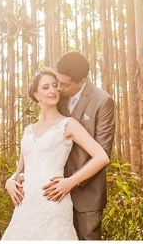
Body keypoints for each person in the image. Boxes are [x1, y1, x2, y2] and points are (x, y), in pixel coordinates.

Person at [2, 67, 109, 241]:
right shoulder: (28, 130)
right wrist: (10, 181)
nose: (52, 90)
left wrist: (70, 182)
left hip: (53, 202)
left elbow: (101, 157)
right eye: (46, 87)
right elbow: (21, 169)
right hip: (26, 205)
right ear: (36, 95)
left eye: (54, 85)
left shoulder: (68, 124)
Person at [45, 52, 115, 240]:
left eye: (64, 84)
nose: (58, 88)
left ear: (82, 81)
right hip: (53, 191)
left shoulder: (103, 101)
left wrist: (71, 182)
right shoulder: (56, 97)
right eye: (57, 81)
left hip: (87, 194)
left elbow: (103, 152)